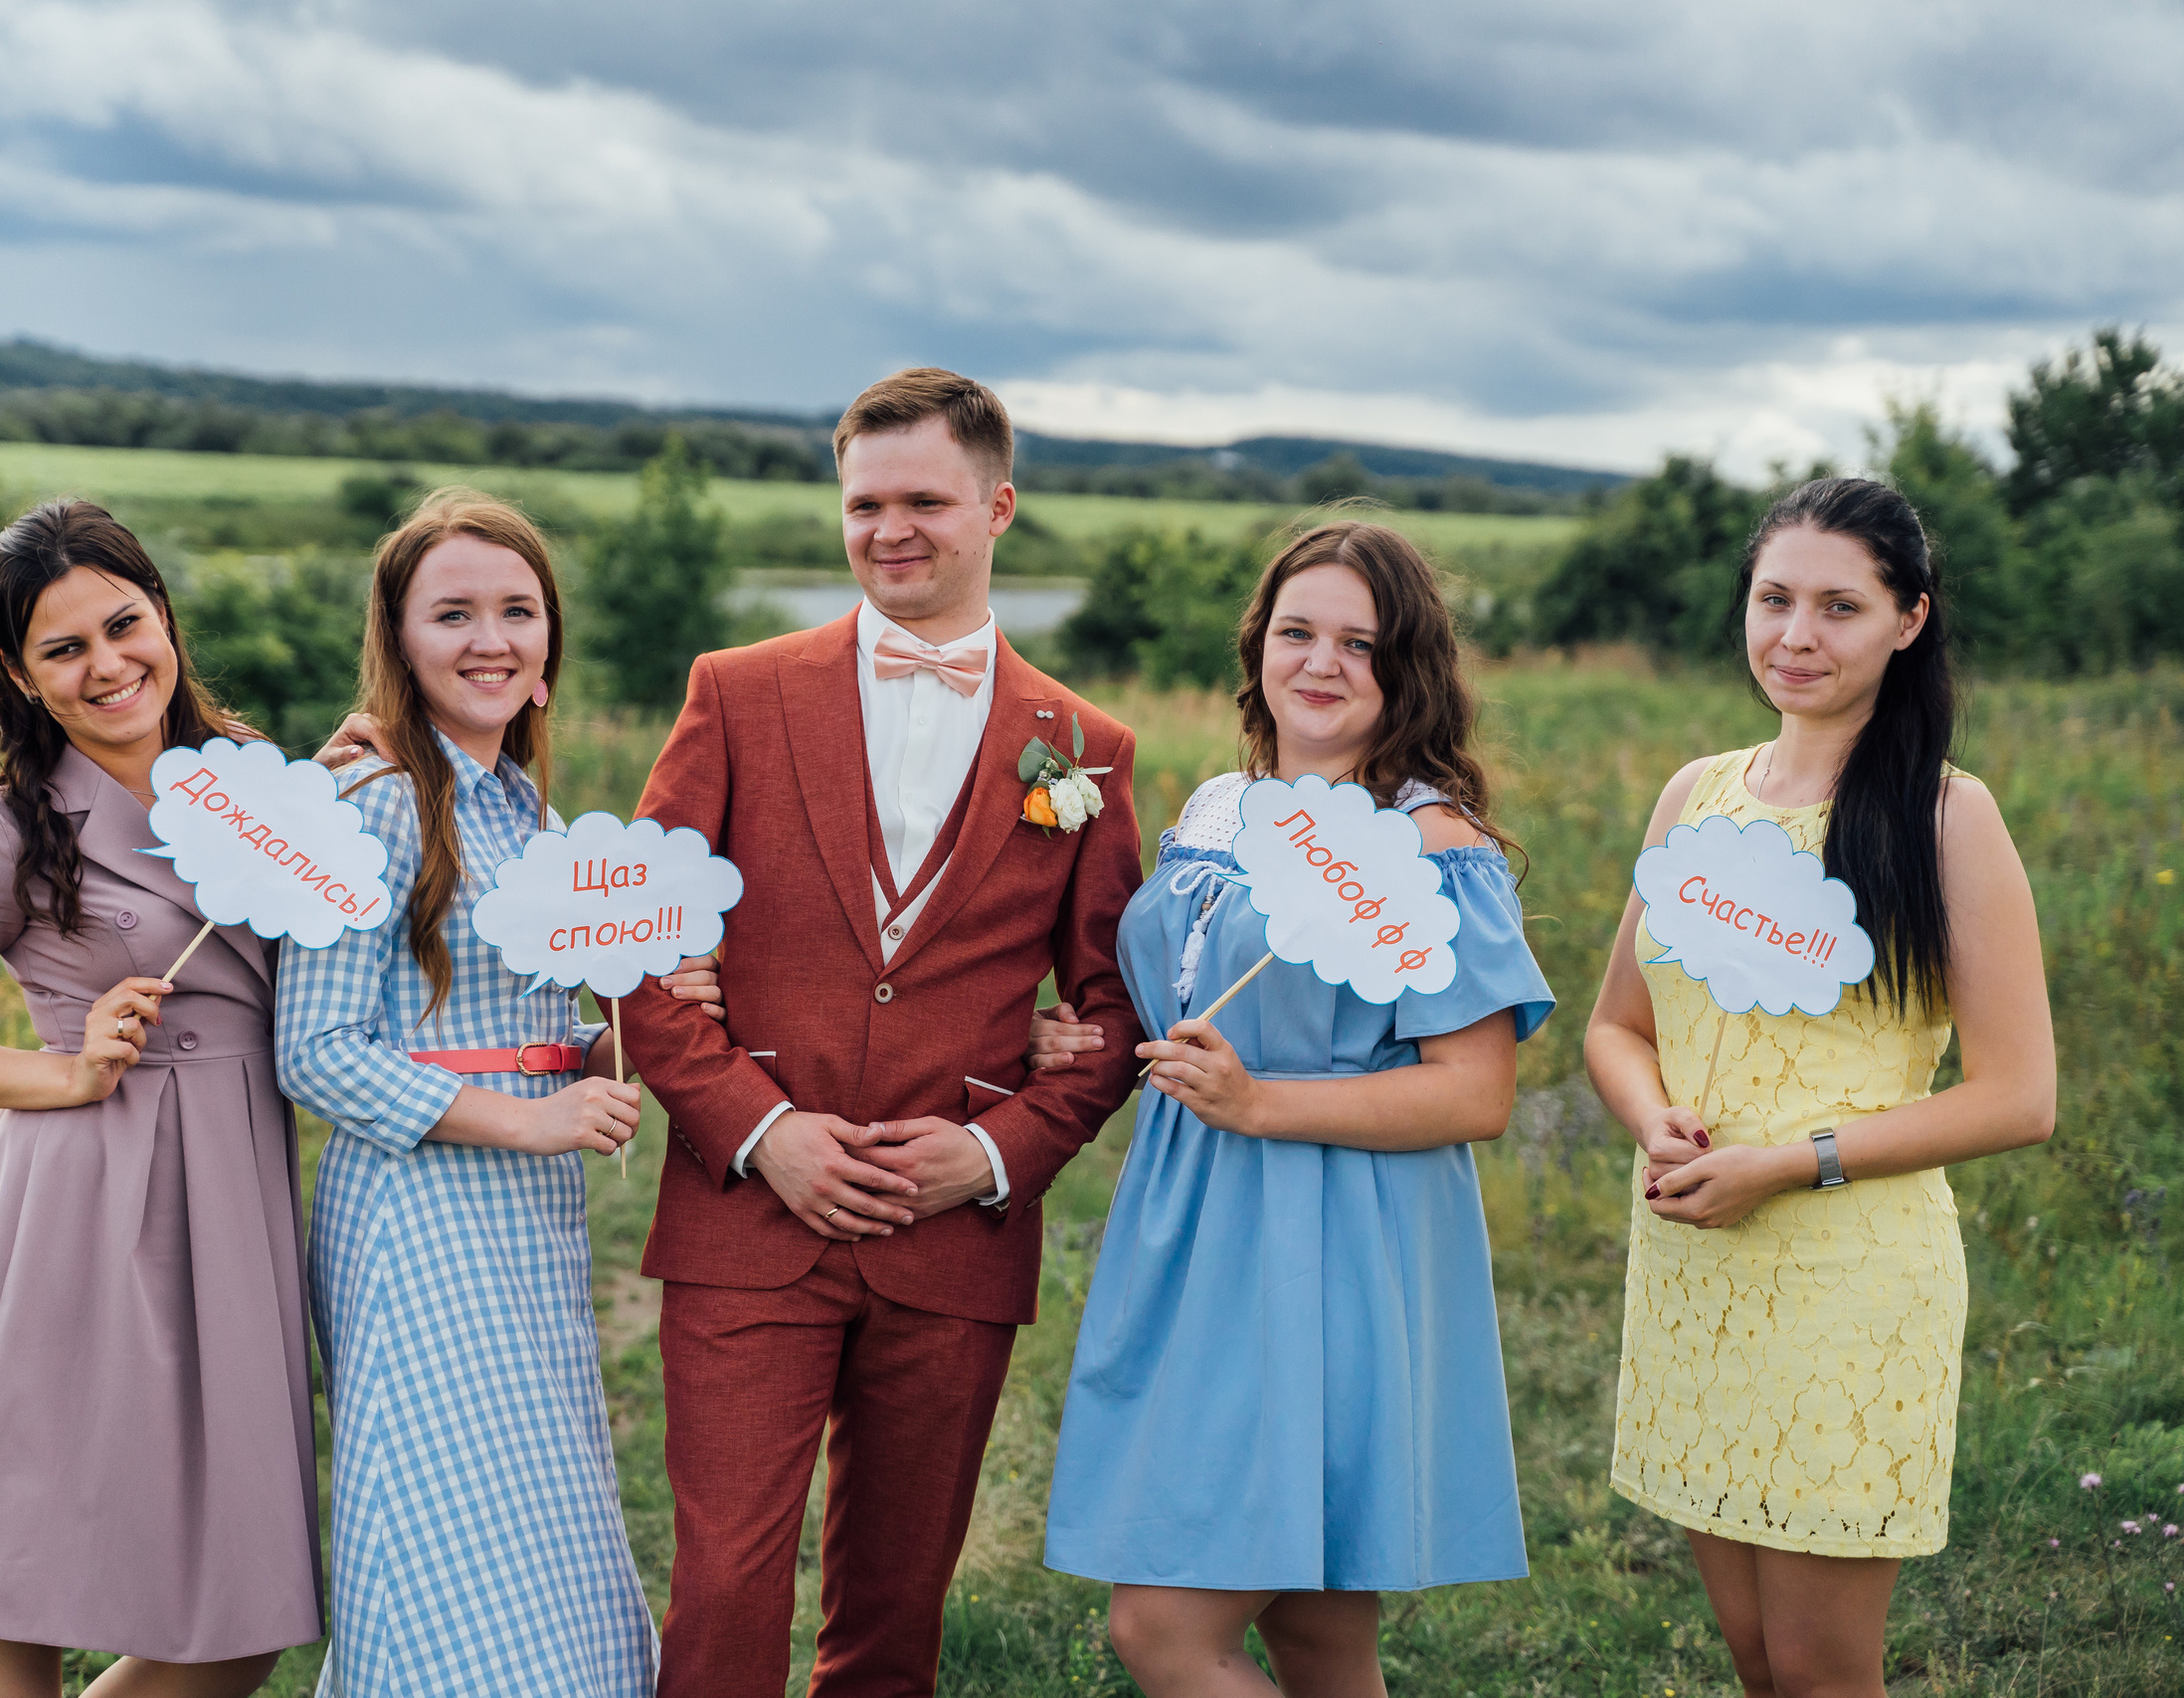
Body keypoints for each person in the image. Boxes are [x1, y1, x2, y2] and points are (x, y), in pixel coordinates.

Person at [618, 369, 1146, 1697]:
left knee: (896, 1607)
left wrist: (996, 1154)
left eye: (925, 501)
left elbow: (1109, 1009)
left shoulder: (1082, 747)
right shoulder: (736, 692)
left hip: (950, 1232)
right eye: (865, 504)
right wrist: (764, 1132)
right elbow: (633, 946)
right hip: (748, 1217)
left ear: (999, 508)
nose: (889, 529)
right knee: (726, 1582)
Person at [1027, 518, 1552, 1697]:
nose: (1319, 663)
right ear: (1256, 645)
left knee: (1162, 1631)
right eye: (1295, 632)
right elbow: (1181, 997)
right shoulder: (1223, 807)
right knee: (1319, 1638)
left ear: (1407, 668)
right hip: (1194, 1223)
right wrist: (1076, 1034)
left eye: (1358, 644)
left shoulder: (1427, 843)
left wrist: (1259, 1100)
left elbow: (1476, 1093)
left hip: (1326, 1238)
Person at [1585, 477, 2055, 1698]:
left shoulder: (1946, 818)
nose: (1795, 636)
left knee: (1818, 1672)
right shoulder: (1696, 795)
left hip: (1849, 1285)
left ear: (1908, 620)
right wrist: (1651, 1117)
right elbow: (1616, 1027)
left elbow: (2019, 1096)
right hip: (1693, 1268)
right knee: (1754, 1661)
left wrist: (1789, 1164)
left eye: (1838, 607)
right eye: (1773, 599)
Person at [0, 499, 329, 1697]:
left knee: (239, 1621)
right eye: (63, 650)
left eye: (123, 626)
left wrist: (367, 784)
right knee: (18, 1590)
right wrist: (65, 1071)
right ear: (21, 673)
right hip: (74, 1213)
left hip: (233, 1209)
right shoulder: (13, 830)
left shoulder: (264, 789)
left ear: (162, 613)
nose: (108, 666)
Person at [276, 490, 683, 1696]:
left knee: (534, 1523)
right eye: (452, 613)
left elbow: (510, 1033)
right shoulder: (375, 805)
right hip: (416, 1217)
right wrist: (530, 1120)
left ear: (549, 640)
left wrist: (612, 1041)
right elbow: (318, 1049)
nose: (490, 639)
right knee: (443, 1525)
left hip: (526, 1216)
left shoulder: (524, 811)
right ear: (399, 640)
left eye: (517, 611)